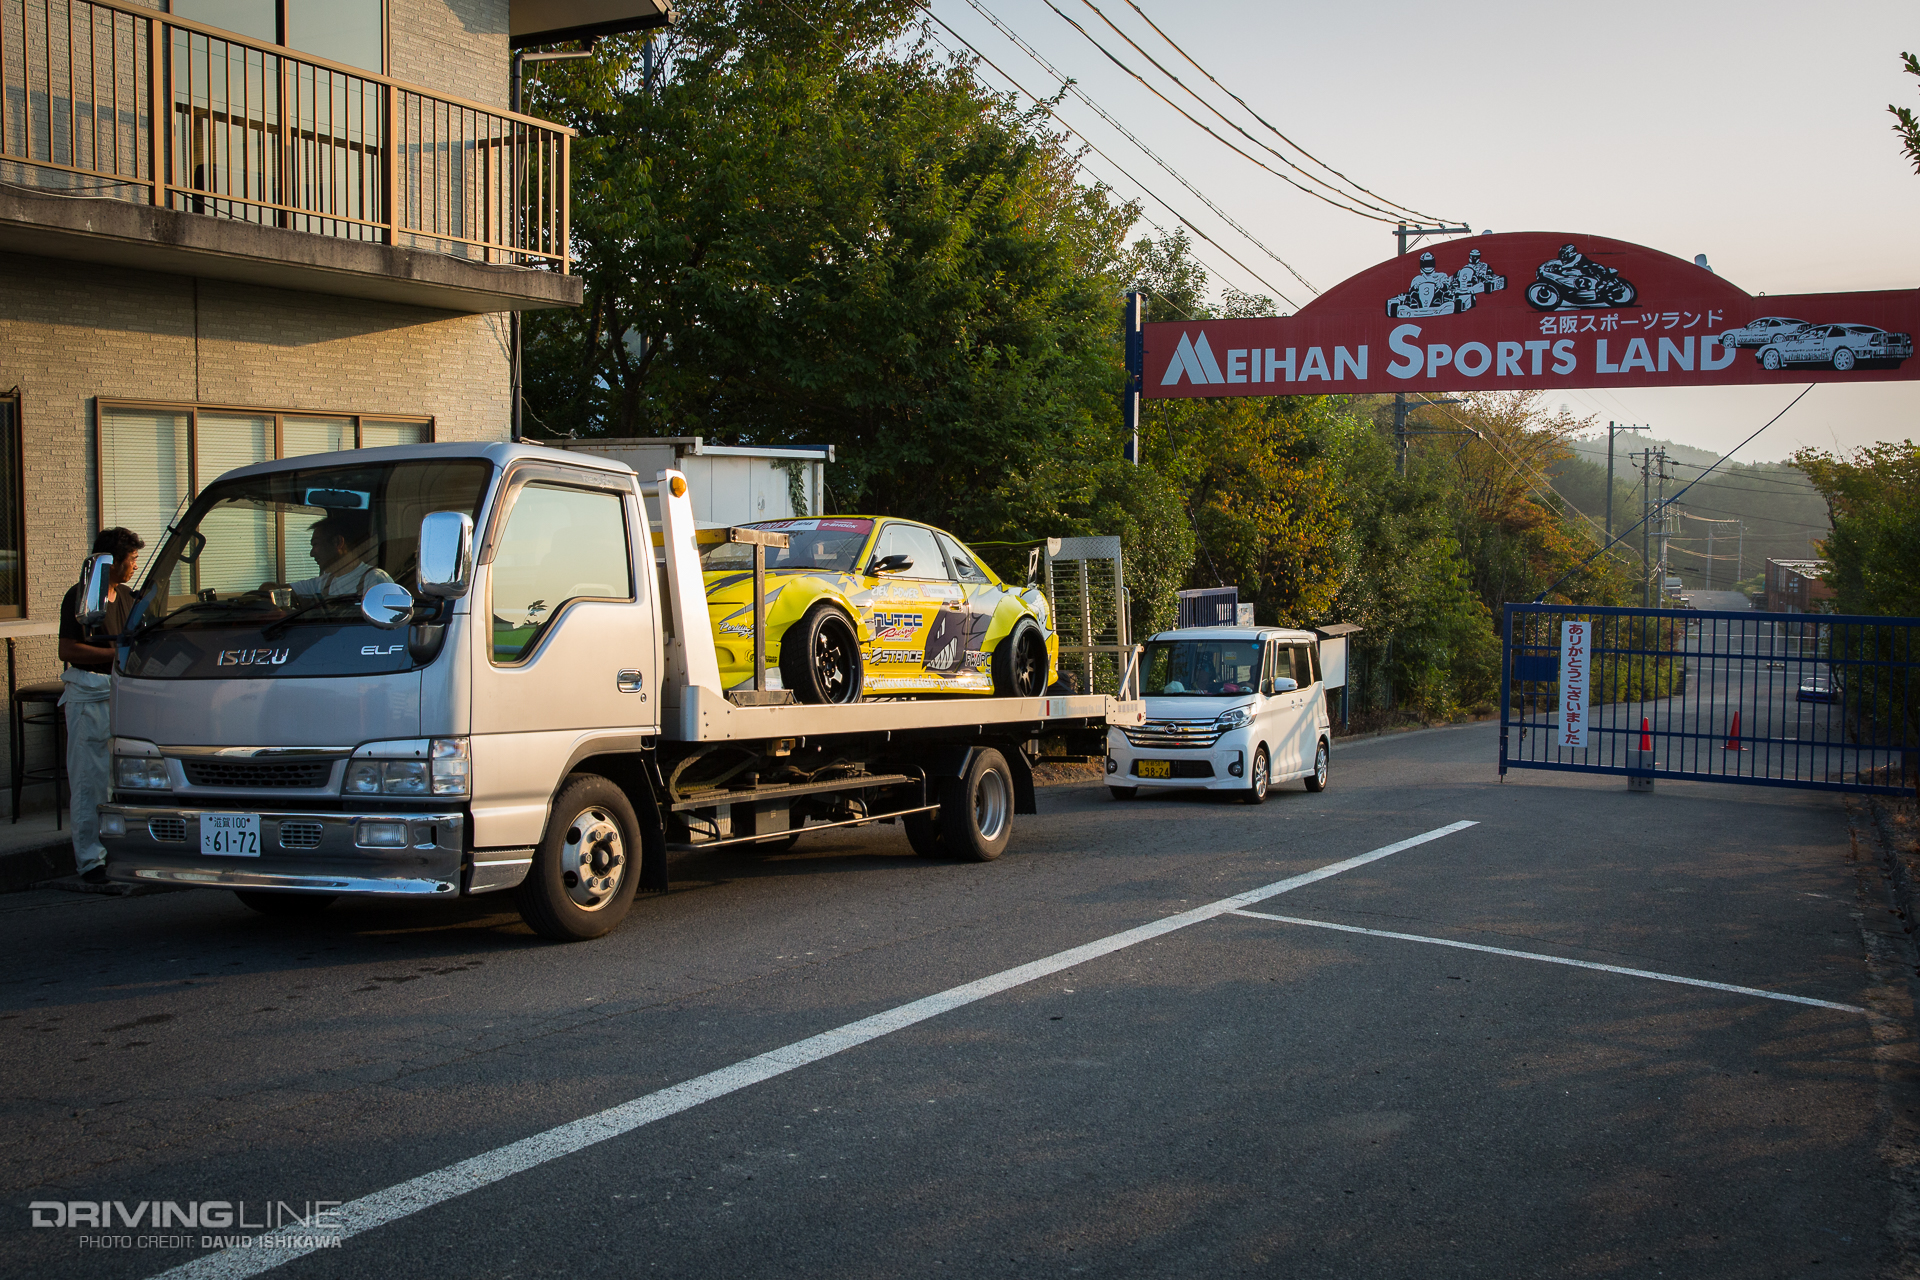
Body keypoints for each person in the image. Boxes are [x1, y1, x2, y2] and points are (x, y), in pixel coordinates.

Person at [57, 527, 144, 885]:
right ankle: (90, 861)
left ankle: (119, 853)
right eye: (131, 559)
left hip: (120, 692)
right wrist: (113, 655)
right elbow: (68, 650)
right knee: (89, 780)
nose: (135, 566)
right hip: (89, 693)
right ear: (110, 562)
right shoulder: (79, 597)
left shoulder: (127, 597)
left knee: (118, 780)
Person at [285, 513, 390, 600]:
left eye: (316, 544)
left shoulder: (375, 579)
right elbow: (282, 590)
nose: (311, 553)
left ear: (338, 542)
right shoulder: (324, 582)